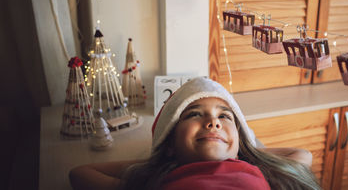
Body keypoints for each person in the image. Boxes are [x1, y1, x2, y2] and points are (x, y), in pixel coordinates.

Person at [70, 77, 321, 190]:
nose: (213, 122)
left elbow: (302, 155)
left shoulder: (253, 169)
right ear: (169, 139)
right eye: (194, 114)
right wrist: (162, 161)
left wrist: (244, 152)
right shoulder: (157, 181)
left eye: (224, 116)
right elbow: (80, 174)